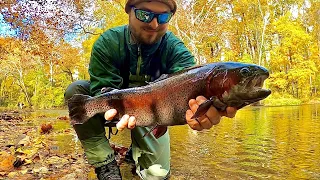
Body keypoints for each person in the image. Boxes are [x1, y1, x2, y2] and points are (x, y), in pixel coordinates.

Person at [64, 0, 237, 179]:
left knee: (157, 176)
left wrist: (200, 108)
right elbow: (102, 88)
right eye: (144, 15)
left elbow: (192, 82)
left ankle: (136, 151)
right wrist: (112, 109)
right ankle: (105, 163)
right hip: (119, 105)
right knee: (76, 91)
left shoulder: (174, 48)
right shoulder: (108, 42)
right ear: (129, 12)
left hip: (154, 111)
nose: (154, 24)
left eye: (163, 17)